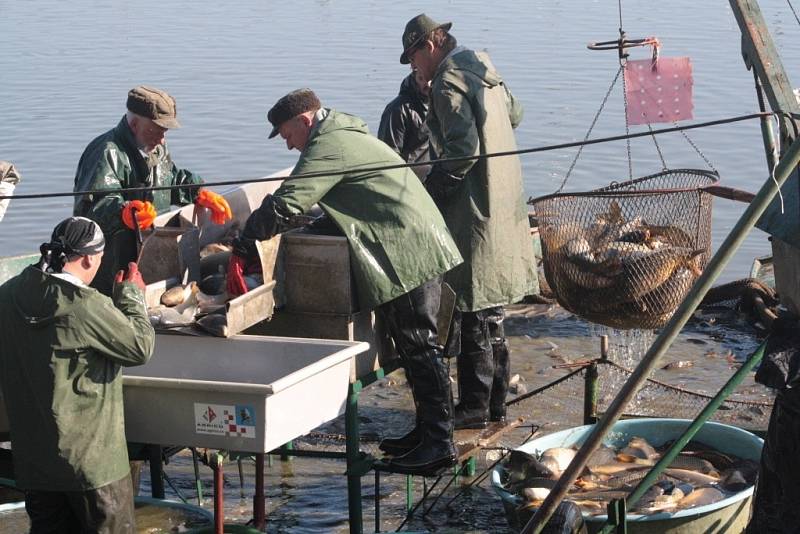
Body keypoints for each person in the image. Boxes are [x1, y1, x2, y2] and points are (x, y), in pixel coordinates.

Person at [230, 88, 463, 475]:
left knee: (420, 346)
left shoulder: (328, 145)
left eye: (287, 135)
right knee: (413, 346)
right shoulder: (343, 133)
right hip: (408, 239)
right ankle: (426, 433)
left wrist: (245, 237)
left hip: (405, 249)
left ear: (305, 122)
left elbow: (289, 202)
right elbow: (350, 197)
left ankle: (439, 445)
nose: (288, 146)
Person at [400, 14, 538, 429]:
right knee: (492, 308)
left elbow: (462, 151)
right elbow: (516, 114)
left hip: (475, 206)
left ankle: (474, 408)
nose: (413, 69)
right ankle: (496, 405)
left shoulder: (447, 80)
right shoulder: (483, 69)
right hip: (505, 199)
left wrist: (432, 197)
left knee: (472, 306)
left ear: (429, 45)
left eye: (413, 58)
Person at [0, 216, 155, 533]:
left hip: (37, 466)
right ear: (88, 258)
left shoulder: (8, 296)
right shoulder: (87, 305)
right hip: (95, 468)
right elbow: (140, 347)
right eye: (99, 257)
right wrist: (131, 295)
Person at [73, 85, 232, 295]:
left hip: (150, 254)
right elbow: (94, 206)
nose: (161, 138)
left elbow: (170, 178)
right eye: (156, 129)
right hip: (111, 264)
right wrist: (125, 213)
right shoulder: (106, 152)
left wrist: (197, 192)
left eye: (164, 131)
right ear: (134, 123)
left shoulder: (156, 146)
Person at [377, 69, 432, 179]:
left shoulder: (441, 103)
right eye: (421, 79)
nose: (427, 84)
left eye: (430, 79)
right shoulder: (397, 109)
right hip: (408, 178)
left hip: (434, 174)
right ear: (414, 78)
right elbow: (388, 155)